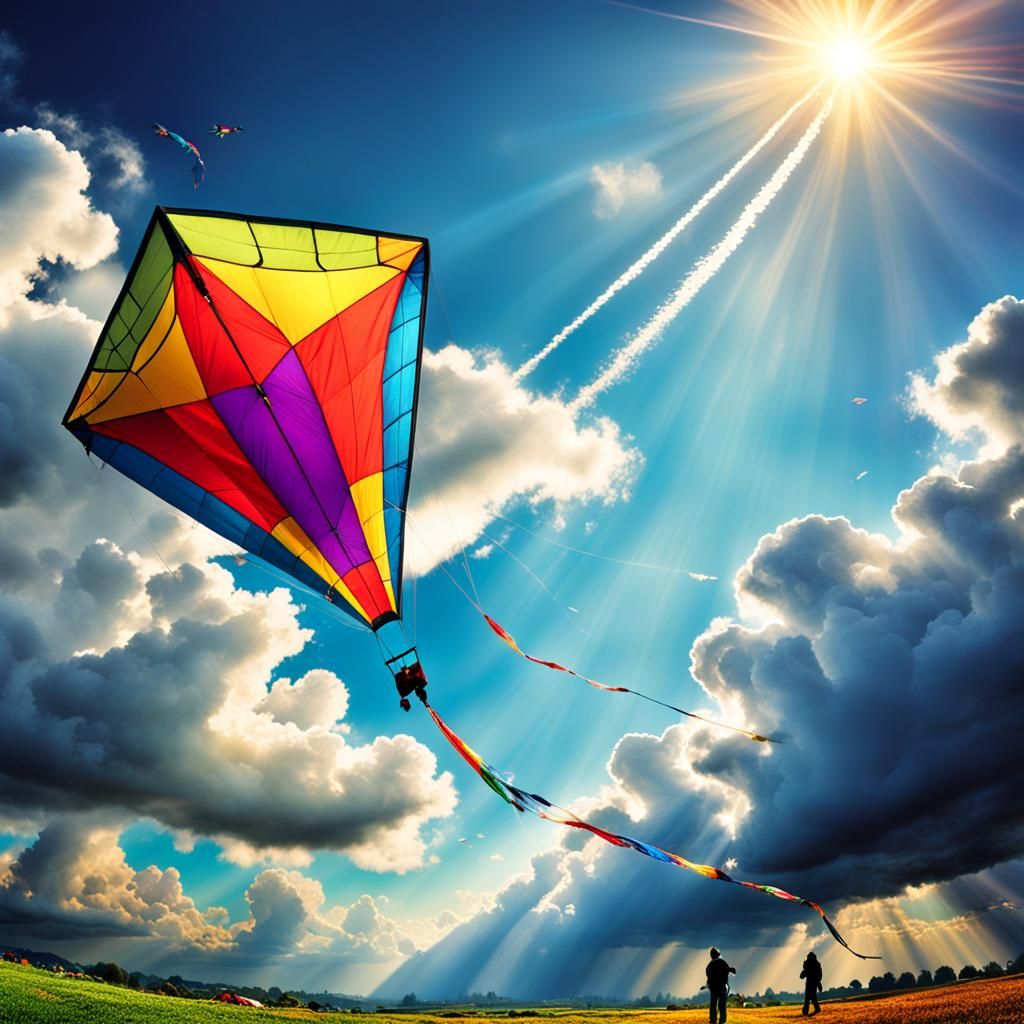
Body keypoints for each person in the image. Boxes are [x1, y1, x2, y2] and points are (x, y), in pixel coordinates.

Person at [704, 947, 736, 1024]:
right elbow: (730, 970)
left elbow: (708, 977)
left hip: (714, 988)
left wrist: (708, 985)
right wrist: (731, 970)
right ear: (718, 955)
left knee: (713, 1004)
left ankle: (713, 1020)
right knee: (722, 1004)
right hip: (722, 987)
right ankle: (722, 1021)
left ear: (711, 955)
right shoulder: (722, 962)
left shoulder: (709, 965)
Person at [800, 951, 823, 1016]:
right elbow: (819, 974)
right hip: (812, 982)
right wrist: (819, 983)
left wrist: (818, 983)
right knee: (811, 997)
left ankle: (806, 1011)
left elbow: (806, 971)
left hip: (812, 982)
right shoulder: (815, 964)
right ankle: (814, 1009)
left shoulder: (811, 964)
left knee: (809, 997)